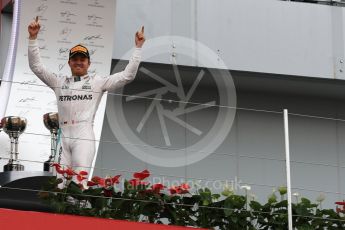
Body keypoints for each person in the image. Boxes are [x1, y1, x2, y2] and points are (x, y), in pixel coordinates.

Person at [28, 16, 145, 176]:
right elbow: (36, 67)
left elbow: (127, 76)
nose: (78, 62)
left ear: (89, 63)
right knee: (58, 185)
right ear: (69, 63)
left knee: (79, 182)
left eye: (82, 59)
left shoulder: (97, 82)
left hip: (83, 135)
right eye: (74, 59)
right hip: (63, 135)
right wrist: (33, 38)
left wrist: (138, 48)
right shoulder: (58, 81)